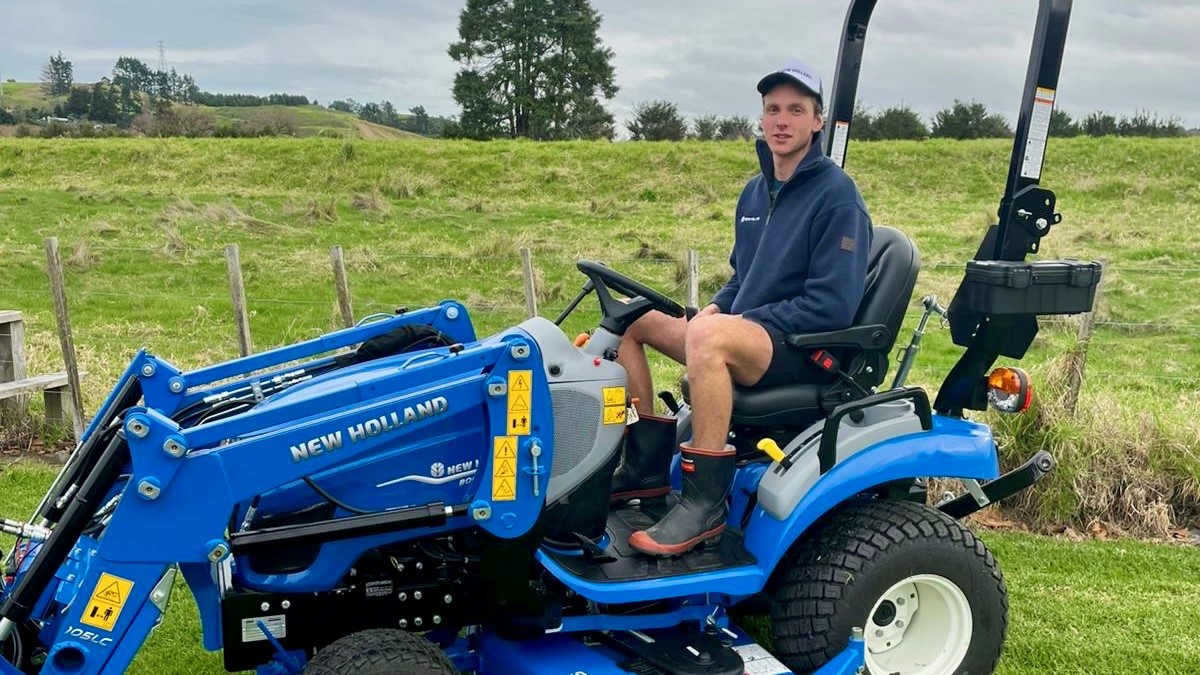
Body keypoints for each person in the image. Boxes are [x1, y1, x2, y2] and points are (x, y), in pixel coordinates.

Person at [613, 58, 874, 557]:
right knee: (633, 315)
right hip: (747, 332)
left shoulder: (837, 197)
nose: (782, 120)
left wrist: (733, 324)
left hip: (801, 348)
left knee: (711, 338)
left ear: (817, 121)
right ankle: (644, 469)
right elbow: (742, 277)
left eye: (796, 110)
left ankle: (703, 501)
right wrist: (716, 308)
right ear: (761, 117)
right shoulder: (755, 192)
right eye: (773, 109)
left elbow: (832, 307)